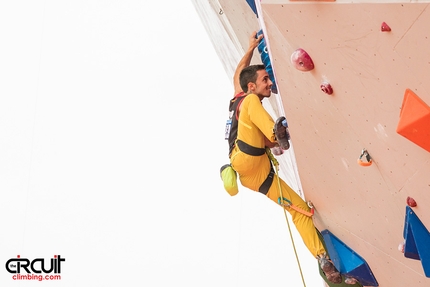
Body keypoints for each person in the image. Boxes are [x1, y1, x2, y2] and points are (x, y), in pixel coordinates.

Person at [222, 31, 342, 284]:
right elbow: (240, 77)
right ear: (251, 85)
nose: (270, 83)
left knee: (299, 209)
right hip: (242, 158)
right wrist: (275, 137)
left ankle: (322, 258)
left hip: (258, 176)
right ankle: (276, 132)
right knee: (253, 104)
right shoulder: (244, 98)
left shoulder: (242, 96)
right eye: (266, 79)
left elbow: (239, 73)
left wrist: (250, 47)